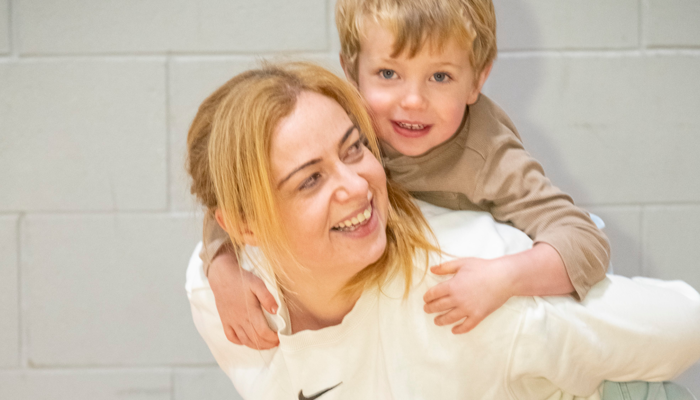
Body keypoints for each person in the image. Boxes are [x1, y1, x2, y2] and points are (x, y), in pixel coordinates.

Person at [186, 62, 700, 400]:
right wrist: (219, 262)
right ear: (243, 227)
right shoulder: (224, 297)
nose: (357, 186)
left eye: (354, 148)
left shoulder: (460, 279)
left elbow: (686, 322)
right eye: (311, 179)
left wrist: (524, 294)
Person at [195, 0, 613, 350]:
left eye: (440, 76)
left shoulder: (490, 155)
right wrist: (222, 268)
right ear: (352, 71)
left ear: (477, 81)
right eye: (389, 74)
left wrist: (503, 277)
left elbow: (584, 239)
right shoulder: (345, 125)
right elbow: (242, 192)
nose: (412, 101)